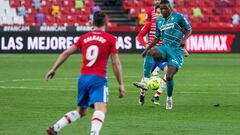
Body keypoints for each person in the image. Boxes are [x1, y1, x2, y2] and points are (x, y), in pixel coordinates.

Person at [45, 11, 125, 135]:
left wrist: (53, 68)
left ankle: (55, 127)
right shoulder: (111, 39)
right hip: (98, 78)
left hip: (83, 78)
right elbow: (115, 63)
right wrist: (121, 84)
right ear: (105, 23)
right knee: (100, 109)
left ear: (93, 23)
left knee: (82, 111)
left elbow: (66, 53)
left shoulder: (84, 37)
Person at [142, 0, 192, 110]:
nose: (164, 11)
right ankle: (145, 80)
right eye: (162, 9)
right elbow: (157, 38)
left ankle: (169, 98)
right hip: (165, 48)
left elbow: (189, 29)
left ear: (170, 8)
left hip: (176, 51)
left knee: (169, 77)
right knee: (151, 52)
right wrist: (147, 48)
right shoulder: (159, 21)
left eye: (165, 8)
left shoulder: (179, 17)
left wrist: (184, 40)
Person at [133, 0, 161, 106]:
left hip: (161, 52)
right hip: (152, 50)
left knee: (163, 74)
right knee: (149, 74)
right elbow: (142, 33)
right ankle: (143, 94)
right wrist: (146, 45)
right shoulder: (150, 16)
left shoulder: (167, 22)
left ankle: (156, 96)